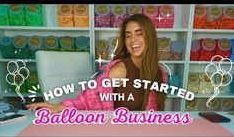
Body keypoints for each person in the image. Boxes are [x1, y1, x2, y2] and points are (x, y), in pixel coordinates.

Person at [26, 13, 167, 113]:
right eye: (128, 35)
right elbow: (87, 99)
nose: (133, 40)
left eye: (139, 33)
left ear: (150, 36)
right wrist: (58, 107)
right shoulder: (120, 70)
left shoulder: (159, 72)